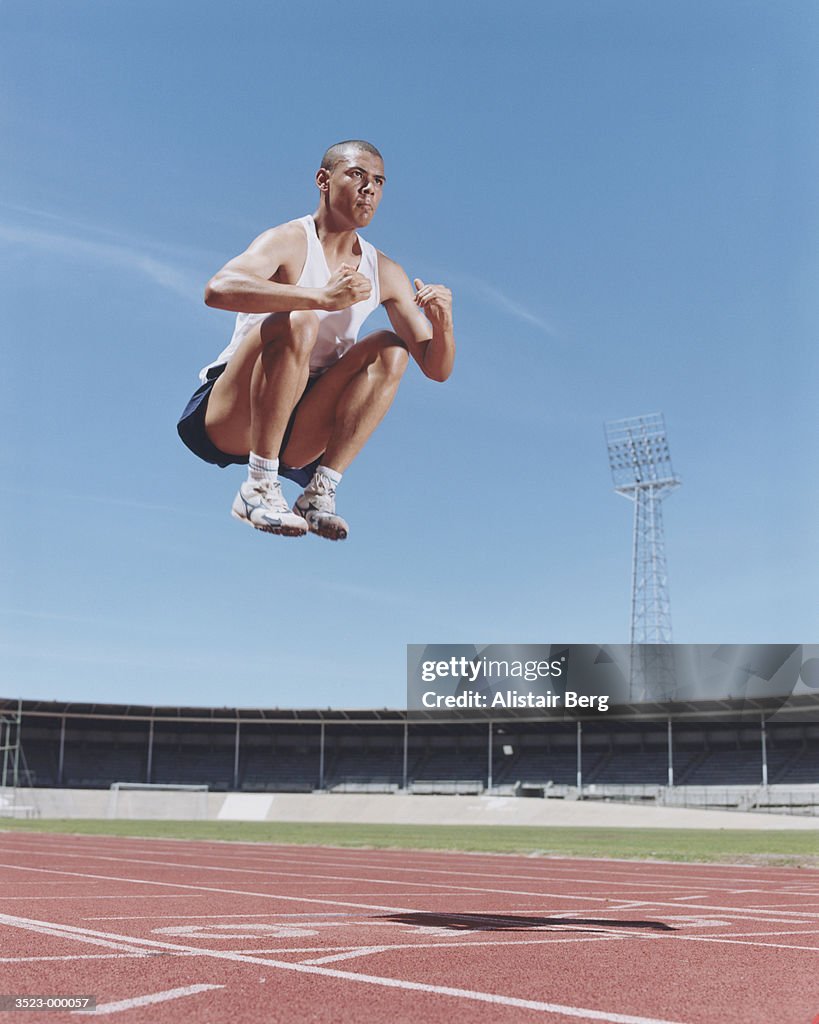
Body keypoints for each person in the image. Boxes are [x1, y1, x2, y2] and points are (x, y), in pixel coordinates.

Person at [177, 140, 455, 541]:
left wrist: (443, 324)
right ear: (323, 180)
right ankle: (257, 487)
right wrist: (319, 297)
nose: (369, 189)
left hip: (301, 425)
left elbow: (436, 367)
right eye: (357, 175)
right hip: (234, 412)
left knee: (392, 349)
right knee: (300, 320)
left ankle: (318, 494)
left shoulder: (386, 271)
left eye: (378, 181)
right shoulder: (289, 240)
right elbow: (217, 289)